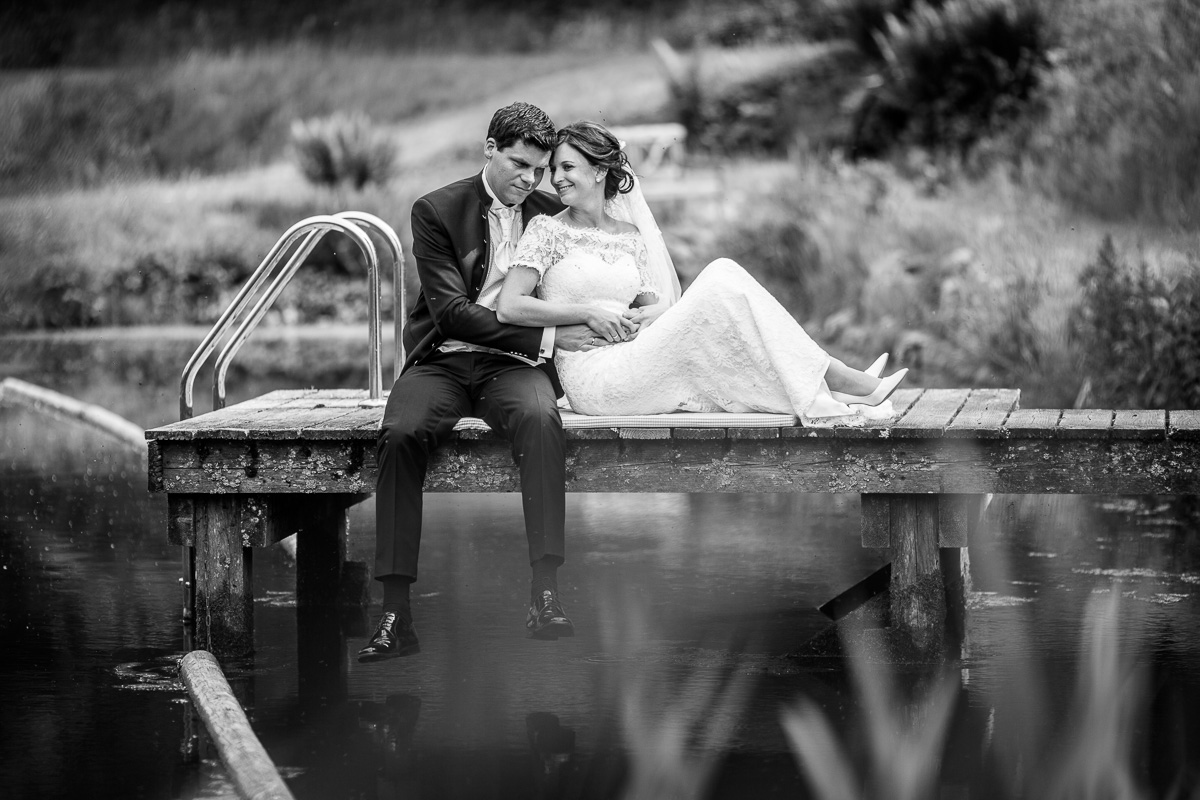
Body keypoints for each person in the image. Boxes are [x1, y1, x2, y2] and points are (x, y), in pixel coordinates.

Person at [361, 103, 601, 662]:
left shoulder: (550, 213)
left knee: (543, 421)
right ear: (489, 148)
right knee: (400, 433)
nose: (529, 179)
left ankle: (545, 591)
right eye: (519, 163)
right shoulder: (437, 209)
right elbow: (452, 313)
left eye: (539, 169)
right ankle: (396, 612)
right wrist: (548, 341)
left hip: (512, 370)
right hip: (443, 359)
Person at [495, 120, 908, 422]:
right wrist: (586, 312)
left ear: (600, 171)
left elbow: (656, 309)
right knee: (721, 275)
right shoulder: (547, 230)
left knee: (723, 295)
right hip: (596, 380)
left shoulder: (629, 236)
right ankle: (844, 379)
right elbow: (510, 307)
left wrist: (646, 315)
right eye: (555, 170)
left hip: (637, 356)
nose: (556, 179)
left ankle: (831, 382)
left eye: (568, 168)